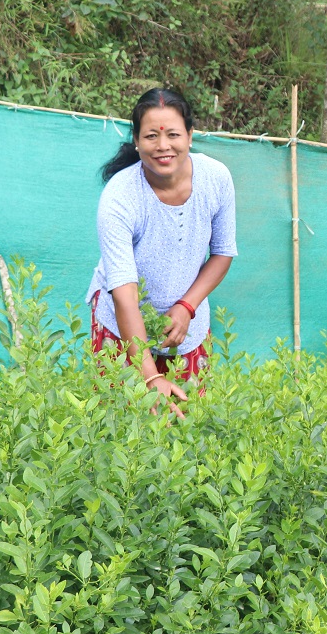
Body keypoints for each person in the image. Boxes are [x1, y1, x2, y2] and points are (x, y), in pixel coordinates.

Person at [86, 87, 236, 412]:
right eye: (151, 136)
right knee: (126, 421)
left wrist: (186, 307)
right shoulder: (120, 197)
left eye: (173, 134)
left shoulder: (216, 179)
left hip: (188, 324)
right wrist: (150, 379)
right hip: (122, 323)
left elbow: (223, 253)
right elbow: (124, 294)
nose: (163, 145)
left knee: (186, 421)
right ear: (137, 141)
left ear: (191, 135)